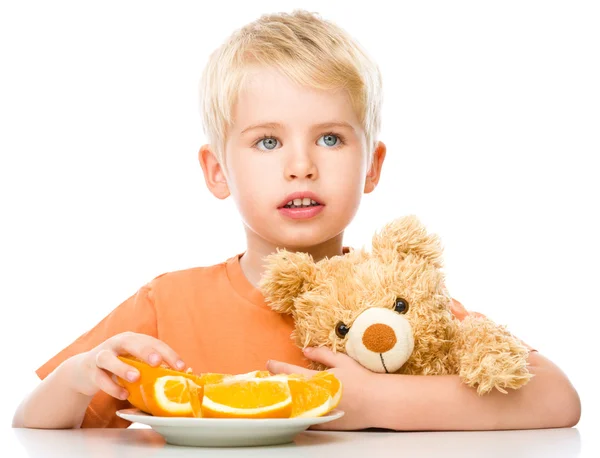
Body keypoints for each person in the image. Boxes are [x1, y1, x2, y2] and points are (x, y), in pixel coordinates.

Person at [13, 10, 580, 431]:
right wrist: (82, 373)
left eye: (330, 138)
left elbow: (557, 398)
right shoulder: (167, 304)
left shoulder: (402, 303)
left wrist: (369, 403)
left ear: (371, 166)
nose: (301, 166)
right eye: (266, 142)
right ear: (217, 171)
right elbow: (32, 430)